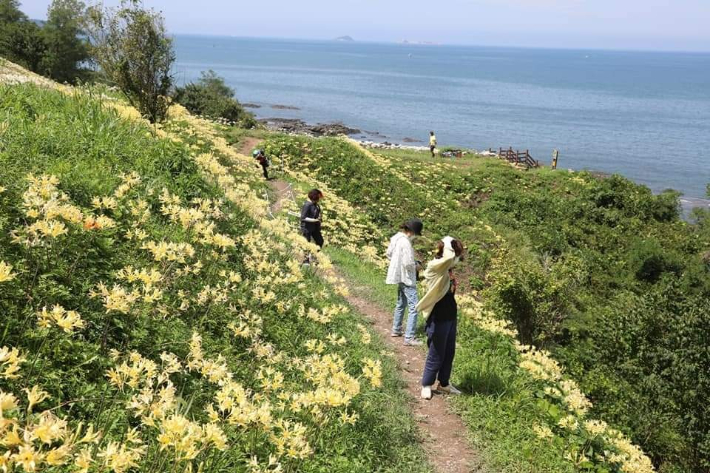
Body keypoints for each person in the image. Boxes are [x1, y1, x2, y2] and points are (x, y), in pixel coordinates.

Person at [418, 236, 464, 400]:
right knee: (436, 351)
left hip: (450, 314)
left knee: (449, 351)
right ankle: (426, 384)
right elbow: (449, 257)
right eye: (456, 254)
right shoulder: (435, 267)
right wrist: (448, 241)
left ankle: (443, 384)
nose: (458, 258)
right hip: (438, 315)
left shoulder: (448, 269)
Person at [386, 218, 424, 346]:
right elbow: (408, 263)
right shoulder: (406, 243)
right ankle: (409, 337)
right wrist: (417, 266)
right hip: (407, 279)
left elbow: (389, 254)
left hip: (399, 277)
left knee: (401, 303)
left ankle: (396, 329)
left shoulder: (396, 238)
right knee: (414, 307)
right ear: (412, 232)